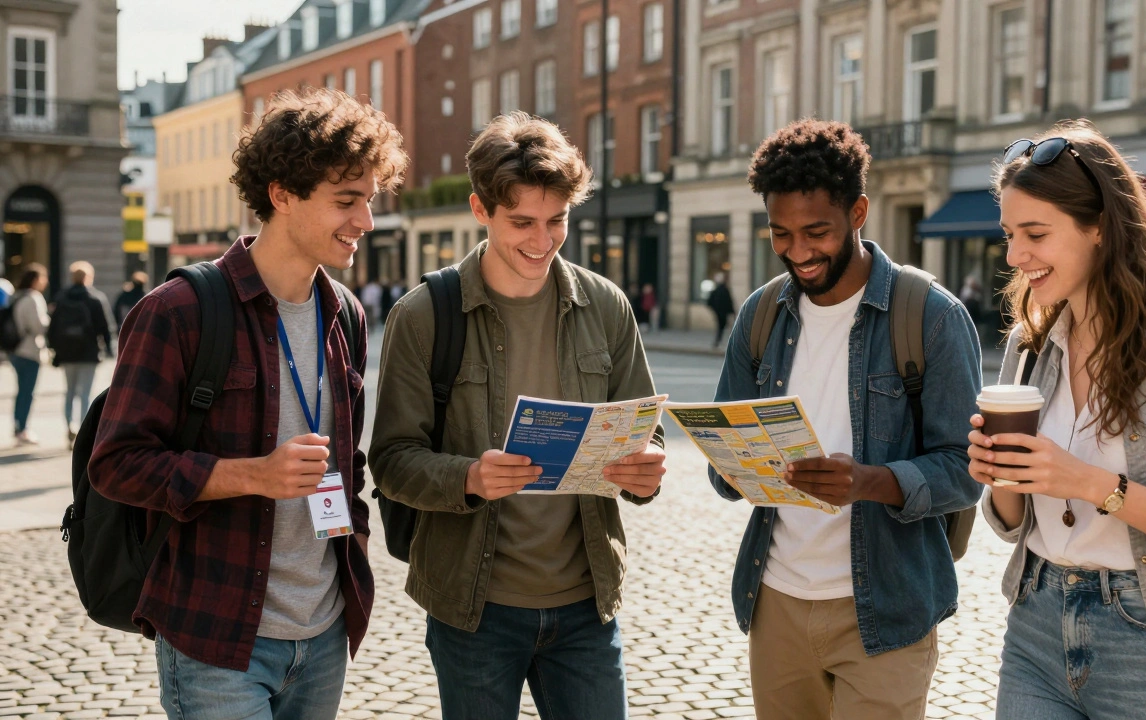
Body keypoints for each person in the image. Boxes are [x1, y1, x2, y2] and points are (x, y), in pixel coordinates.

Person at [89, 88, 407, 720]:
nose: (365, 221)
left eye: (369, 200)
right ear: (281, 193)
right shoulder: (176, 311)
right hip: (216, 635)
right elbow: (116, 464)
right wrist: (253, 476)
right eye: (347, 201)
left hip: (323, 632)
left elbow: (349, 463)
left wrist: (355, 542)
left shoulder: (345, 314)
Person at [370, 111, 668, 720]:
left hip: (586, 602)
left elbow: (646, 426)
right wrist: (469, 478)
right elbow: (393, 460)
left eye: (557, 220)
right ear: (481, 210)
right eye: (522, 222)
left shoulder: (605, 305)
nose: (542, 240)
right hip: (473, 608)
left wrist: (646, 469)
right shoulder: (425, 314)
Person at [968, 121, 1146, 720]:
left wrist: (1086, 482)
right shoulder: (1029, 346)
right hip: (1037, 627)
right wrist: (998, 477)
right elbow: (1010, 523)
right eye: (1008, 234)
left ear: (1099, 226)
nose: (1015, 256)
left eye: (1035, 233)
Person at [711, 119, 982, 720]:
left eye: (816, 232)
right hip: (776, 599)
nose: (798, 253)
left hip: (886, 607)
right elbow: (723, 470)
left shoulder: (931, 316)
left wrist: (868, 483)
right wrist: (738, 465)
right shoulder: (760, 316)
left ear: (858, 212)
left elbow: (967, 470)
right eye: (781, 234)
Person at [48, 261, 115, 447]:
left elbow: (53, 328)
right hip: (89, 353)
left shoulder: (61, 298)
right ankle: (83, 431)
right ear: (89, 277)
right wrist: (110, 349)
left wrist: (54, 349)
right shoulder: (95, 298)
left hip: (67, 353)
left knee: (69, 391)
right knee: (85, 393)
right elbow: (106, 327)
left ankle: (70, 424)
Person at [9, 264, 49, 446]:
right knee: (27, 391)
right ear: (35, 280)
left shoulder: (15, 297)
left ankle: (18, 425)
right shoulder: (34, 298)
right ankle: (22, 429)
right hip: (29, 350)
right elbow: (38, 327)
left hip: (14, 350)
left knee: (21, 391)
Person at [707, 272, 735, 347]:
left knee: (722, 327)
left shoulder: (716, 290)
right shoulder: (722, 290)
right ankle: (722, 341)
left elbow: (709, 302)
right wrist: (732, 311)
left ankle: (719, 341)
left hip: (720, 312)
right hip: (723, 312)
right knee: (723, 327)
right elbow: (729, 301)